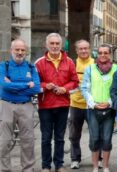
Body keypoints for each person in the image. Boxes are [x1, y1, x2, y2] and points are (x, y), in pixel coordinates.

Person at [35, 33, 79, 172]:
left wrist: (64, 89)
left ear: (61, 45)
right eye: (52, 43)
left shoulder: (70, 61)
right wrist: (44, 85)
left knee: (60, 138)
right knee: (46, 138)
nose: (54, 46)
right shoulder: (39, 62)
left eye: (57, 44)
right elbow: (35, 83)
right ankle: (46, 166)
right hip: (45, 105)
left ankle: (59, 165)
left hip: (63, 104)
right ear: (46, 45)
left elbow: (75, 82)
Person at [0, 39, 41, 172]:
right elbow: (4, 86)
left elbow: (36, 89)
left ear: (26, 52)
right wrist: (25, 85)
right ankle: (4, 169)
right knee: (4, 141)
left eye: (22, 50)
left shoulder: (31, 67)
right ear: (11, 50)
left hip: (26, 105)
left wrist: (13, 85)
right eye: (17, 49)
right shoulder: (3, 66)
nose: (20, 52)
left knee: (28, 141)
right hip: (6, 105)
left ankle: (28, 169)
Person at [81, 44, 117, 172]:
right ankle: (95, 167)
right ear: (97, 54)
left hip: (109, 109)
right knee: (94, 138)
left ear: (110, 54)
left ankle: (106, 166)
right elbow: (84, 88)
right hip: (93, 109)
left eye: (105, 52)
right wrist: (93, 103)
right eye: (100, 52)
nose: (103, 55)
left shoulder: (116, 69)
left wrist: (109, 102)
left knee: (107, 139)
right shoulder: (90, 69)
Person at [69, 40, 95, 169]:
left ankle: (98, 158)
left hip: (92, 105)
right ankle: (75, 159)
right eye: (81, 49)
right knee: (74, 135)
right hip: (75, 104)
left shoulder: (95, 64)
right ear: (77, 50)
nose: (84, 51)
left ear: (89, 49)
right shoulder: (72, 64)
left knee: (96, 134)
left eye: (86, 48)